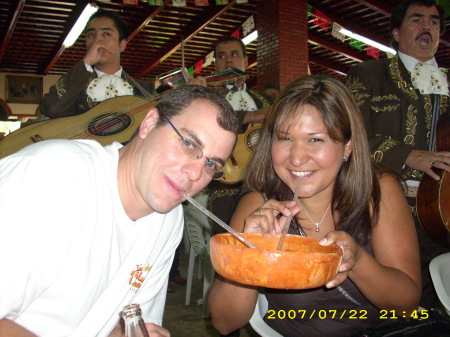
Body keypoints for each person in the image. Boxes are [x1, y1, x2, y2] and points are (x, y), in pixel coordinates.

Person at [0, 85, 239, 337]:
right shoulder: (50, 176)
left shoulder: (168, 220)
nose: (195, 173)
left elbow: (126, 324)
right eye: (189, 144)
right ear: (149, 124)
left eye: (211, 164)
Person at [208, 75, 421, 337]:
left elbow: (407, 306)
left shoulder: (379, 190)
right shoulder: (257, 205)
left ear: (347, 147)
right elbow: (224, 322)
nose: (297, 158)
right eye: (285, 138)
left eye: (315, 140)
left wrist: (356, 260)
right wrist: (252, 253)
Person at [346, 0, 449, 309]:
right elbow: (347, 131)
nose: (426, 26)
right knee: (395, 297)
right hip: (389, 205)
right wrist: (407, 155)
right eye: (417, 20)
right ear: (395, 32)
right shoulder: (369, 74)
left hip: (446, 209)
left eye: (433, 21)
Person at [188, 36, 273, 229]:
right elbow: (206, 124)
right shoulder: (208, 98)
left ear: (245, 61)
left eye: (234, 55)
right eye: (221, 56)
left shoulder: (265, 100)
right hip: (223, 189)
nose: (228, 60)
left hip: (265, 185)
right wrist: (252, 116)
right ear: (216, 64)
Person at [39, 10, 156, 119]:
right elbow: (52, 110)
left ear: (122, 45)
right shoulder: (74, 84)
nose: (97, 40)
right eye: (91, 35)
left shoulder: (146, 90)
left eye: (106, 34)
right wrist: (86, 63)